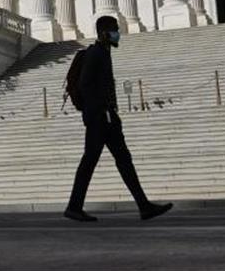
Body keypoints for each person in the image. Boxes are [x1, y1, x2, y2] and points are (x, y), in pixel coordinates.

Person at [64, 15, 173, 222]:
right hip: (100, 118)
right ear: (104, 33)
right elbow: (85, 85)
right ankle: (74, 206)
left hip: (106, 117)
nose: (118, 34)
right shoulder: (96, 53)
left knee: (123, 159)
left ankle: (143, 205)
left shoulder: (103, 53)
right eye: (114, 30)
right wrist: (101, 112)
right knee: (91, 160)